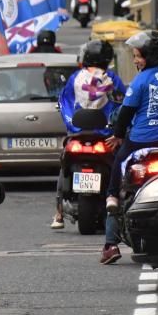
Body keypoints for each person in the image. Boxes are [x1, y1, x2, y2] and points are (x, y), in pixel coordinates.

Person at [101, 31, 158, 264]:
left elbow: (126, 113)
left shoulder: (141, 80)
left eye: (137, 56)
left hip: (143, 141)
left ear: (150, 56)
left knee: (119, 163)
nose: (135, 61)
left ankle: (110, 241)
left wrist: (118, 136)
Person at [51, 40, 125, 229]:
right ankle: (117, 198)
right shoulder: (112, 78)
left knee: (63, 164)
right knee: (121, 163)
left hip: (78, 133)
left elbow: (65, 102)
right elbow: (122, 104)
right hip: (106, 136)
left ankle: (58, 212)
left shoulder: (76, 77)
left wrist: (72, 125)